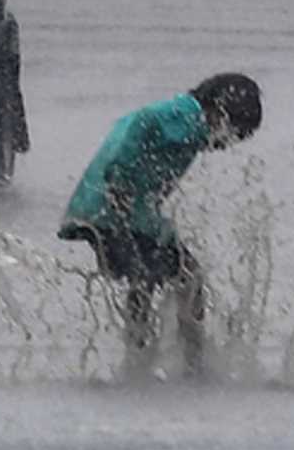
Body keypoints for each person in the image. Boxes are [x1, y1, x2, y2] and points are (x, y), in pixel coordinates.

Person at [57, 72, 262, 374]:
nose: (225, 146)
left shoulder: (188, 123)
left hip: (122, 213)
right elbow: (141, 121)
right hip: (112, 209)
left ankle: (154, 354)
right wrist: (121, 178)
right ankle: (169, 360)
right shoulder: (183, 117)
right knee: (157, 277)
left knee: (177, 276)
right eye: (233, 134)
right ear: (219, 112)